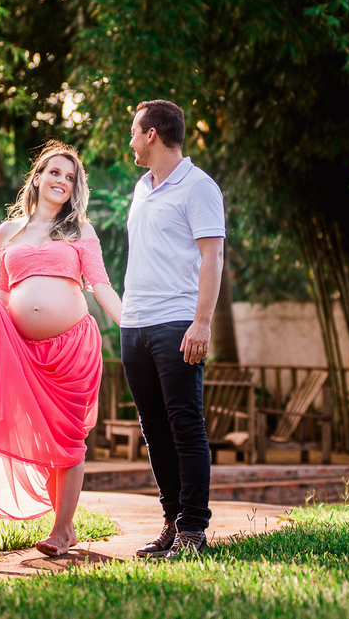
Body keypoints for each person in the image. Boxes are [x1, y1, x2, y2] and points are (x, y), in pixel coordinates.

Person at [0, 141, 122, 557]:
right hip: (23, 354)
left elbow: (100, 286)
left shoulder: (80, 231)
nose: (62, 181)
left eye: (70, 177)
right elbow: (4, 290)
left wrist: (133, 325)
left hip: (73, 349)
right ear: (37, 177)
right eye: (55, 172)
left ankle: (61, 530)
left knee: (70, 436)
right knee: (43, 438)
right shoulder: (7, 232)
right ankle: (64, 525)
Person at [120, 99, 225, 559]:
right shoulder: (142, 187)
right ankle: (171, 522)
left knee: (185, 425)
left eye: (133, 131)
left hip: (178, 322)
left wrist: (202, 322)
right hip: (135, 323)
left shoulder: (199, 186)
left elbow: (212, 255)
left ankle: (193, 531)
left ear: (152, 135)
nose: (130, 140)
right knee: (154, 430)